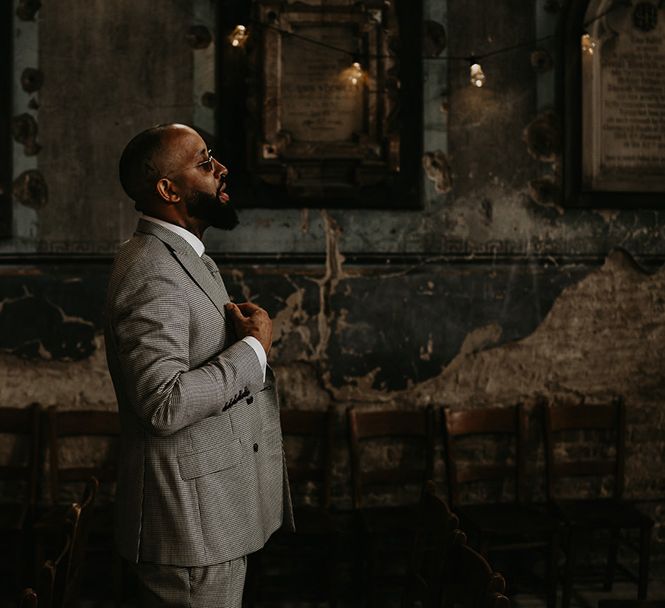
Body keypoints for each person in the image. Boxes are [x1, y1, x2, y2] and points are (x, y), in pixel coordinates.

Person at [104, 123, 294, 608]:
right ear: (168, 189)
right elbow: (162, 402)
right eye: (205, 162)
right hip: (188, 529)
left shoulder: (184, 257)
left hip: (211, 517)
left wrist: (231, 337)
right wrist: (252, 350)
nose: (221, 169)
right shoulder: (152, 268)